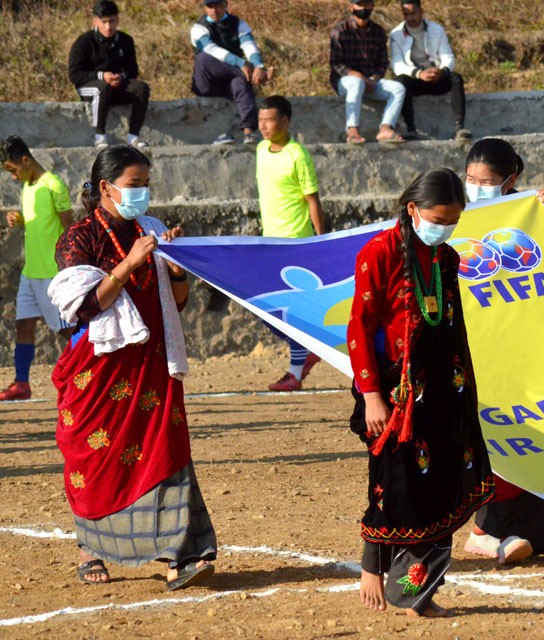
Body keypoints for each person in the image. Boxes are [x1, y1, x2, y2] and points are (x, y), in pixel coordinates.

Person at [49, 145, 217, 590]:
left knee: (166, 451)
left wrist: (176, 266)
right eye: (134, 185)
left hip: (152, 367)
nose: (143, 193)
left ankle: (182, 555)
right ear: (105, 188)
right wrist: (131, 262)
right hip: (99, 372)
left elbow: (176, 304)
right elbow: (81, 307)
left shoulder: (153, 229)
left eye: (146, 185)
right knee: (96, 456)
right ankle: (91, 548)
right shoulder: (79, 238)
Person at [347, 168, 494, 616]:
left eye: (453, 220)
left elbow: (451, 326)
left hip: (443, 387)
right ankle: (372, 564)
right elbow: (359, 327)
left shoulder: (445, 258)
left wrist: (463, 392)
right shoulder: (380, 253)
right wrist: (372, 396)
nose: (444, 227)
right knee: (394, 478)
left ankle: (419, 592)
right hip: (395, 389)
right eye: (437, 217)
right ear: (412, 209)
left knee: (443, 480)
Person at [461, 138, 544, 563]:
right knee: (498, 438)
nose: (476, 187)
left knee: (535, 437)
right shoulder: (453, 210)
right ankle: (486, 530)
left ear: (510, 180)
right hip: (480, 350)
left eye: (486, 181)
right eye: (470, 179)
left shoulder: (530, 213)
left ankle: (532, 531)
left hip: (528, 348)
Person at [256, 95, 325, 391]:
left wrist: (321, 243)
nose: (263, 126)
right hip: (269, 244)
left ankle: (296, 371)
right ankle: (304, 355)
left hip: (297, 244)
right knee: (265, 308)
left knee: (287, 310)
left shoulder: (298, 154)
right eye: (260, 120)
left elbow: (313, 200)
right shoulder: (260, 149)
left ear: (285, 121)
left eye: (269, 120)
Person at [0, 136, 73, 401]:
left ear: (26, 160)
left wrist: (70, 267)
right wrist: (18, 219)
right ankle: (21, 384)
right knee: (23, 324)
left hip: (52, 272)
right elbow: (37, 223)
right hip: (30, 272)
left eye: (12, 169)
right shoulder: (28, 186)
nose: (12, 176)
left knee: (66, 330)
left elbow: (69, 227)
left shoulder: (53, 185)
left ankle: (80, 380)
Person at [68, 1, 150, 149]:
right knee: (102, 88)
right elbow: (74, 74)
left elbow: (133, 70)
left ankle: (133, 136)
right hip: (90, 86)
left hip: (115, 86)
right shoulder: (84, 42)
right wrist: (101, 76)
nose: (108, 27)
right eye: (103, 22)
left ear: (117, 20)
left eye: (111, 21)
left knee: (141, 88)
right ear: (95, 21)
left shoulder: (126, 40)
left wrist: (121, 77)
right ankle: (100, 137)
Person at [190, 0, 271, 145]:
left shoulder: (238, 24)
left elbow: (249, 46)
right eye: (210, 6)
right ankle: (253, 76)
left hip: (230, 79)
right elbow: (211, 49)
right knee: (204, 58)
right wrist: (242, 64)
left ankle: (248, 132)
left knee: (241, 84)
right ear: (205, 8)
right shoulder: (198, 28)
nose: (214, 10)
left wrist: (258, 65)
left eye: (218, 5)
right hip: (208, 82)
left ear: (226, 5)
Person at [389, 0, 470, 141]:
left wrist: (441, 71)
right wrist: (418, 74)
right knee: (400, 83)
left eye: (413, 13)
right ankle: (411, 129)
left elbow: (448, 56)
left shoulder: (436, 30)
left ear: (421, 12)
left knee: (456, 79)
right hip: (415, 78)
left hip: (436, 76)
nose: (410, 18)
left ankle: (460, 128)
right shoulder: (396, 34)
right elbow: (397, 65)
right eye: (406, 14)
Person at [330, 0, 406, 144]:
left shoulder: (378, 32)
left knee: (398, 88)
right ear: (351, 6)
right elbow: (336, 64)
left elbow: (382, 63)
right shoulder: (340, 31)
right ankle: (352, 131)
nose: (364, 8)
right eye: (360, 5)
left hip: (370, 81)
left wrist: (374, 79)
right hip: (346, 81)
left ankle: (386, 128)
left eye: (367, 4)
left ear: (372, 6)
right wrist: (359, 77)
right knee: (356, 83)